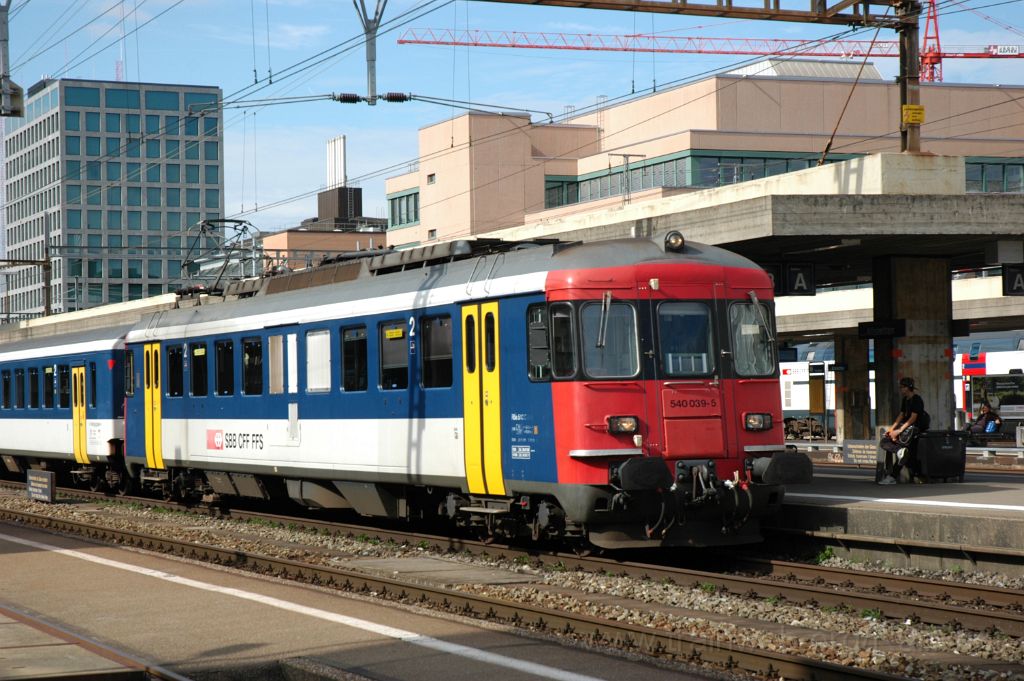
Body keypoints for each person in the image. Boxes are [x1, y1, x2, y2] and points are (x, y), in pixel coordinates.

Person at [878, 377, 929, 485]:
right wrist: (891, 429)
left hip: (913, 429)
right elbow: (901, 415)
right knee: (885, 442)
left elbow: (913, 418)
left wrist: (899, 431)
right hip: (906, 429)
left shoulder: (917, 400)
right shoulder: (905, 400)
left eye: (902, 387)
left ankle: (893, 476)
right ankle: (900, 452)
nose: (900, 389)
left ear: (908, 388)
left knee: (906, 454)